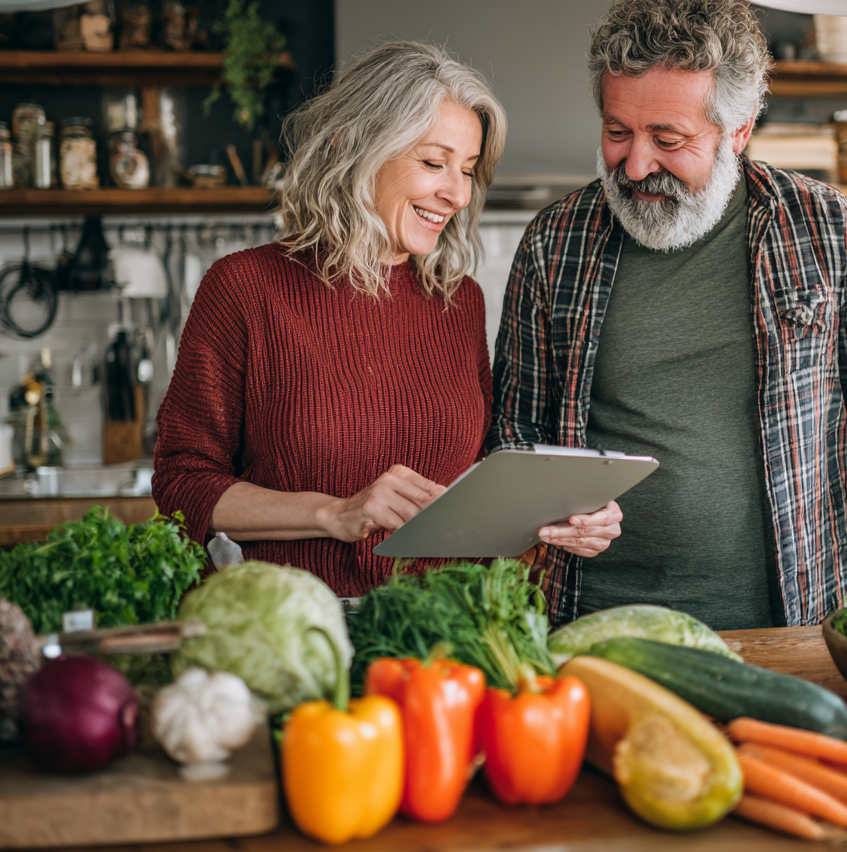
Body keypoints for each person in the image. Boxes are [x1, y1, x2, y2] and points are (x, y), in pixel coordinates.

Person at [490, 0, 847, 630]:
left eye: (667, 139)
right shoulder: (554, 243)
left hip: (797, 633)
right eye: (617, 131)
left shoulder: (821, 226)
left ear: (739, 130)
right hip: (596, 636)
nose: (636, 164)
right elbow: (514, 433)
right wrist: (547, 507)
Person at [154, 41, 612, 595]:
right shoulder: (246, 289)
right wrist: (334, 513)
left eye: (467, 170)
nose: (456, 193)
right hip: (301, 630)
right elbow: (183, 482)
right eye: (433, 162)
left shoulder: (457, 299)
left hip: (442, 637)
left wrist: (557, 517)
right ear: (355, 146)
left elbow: (476, 485)